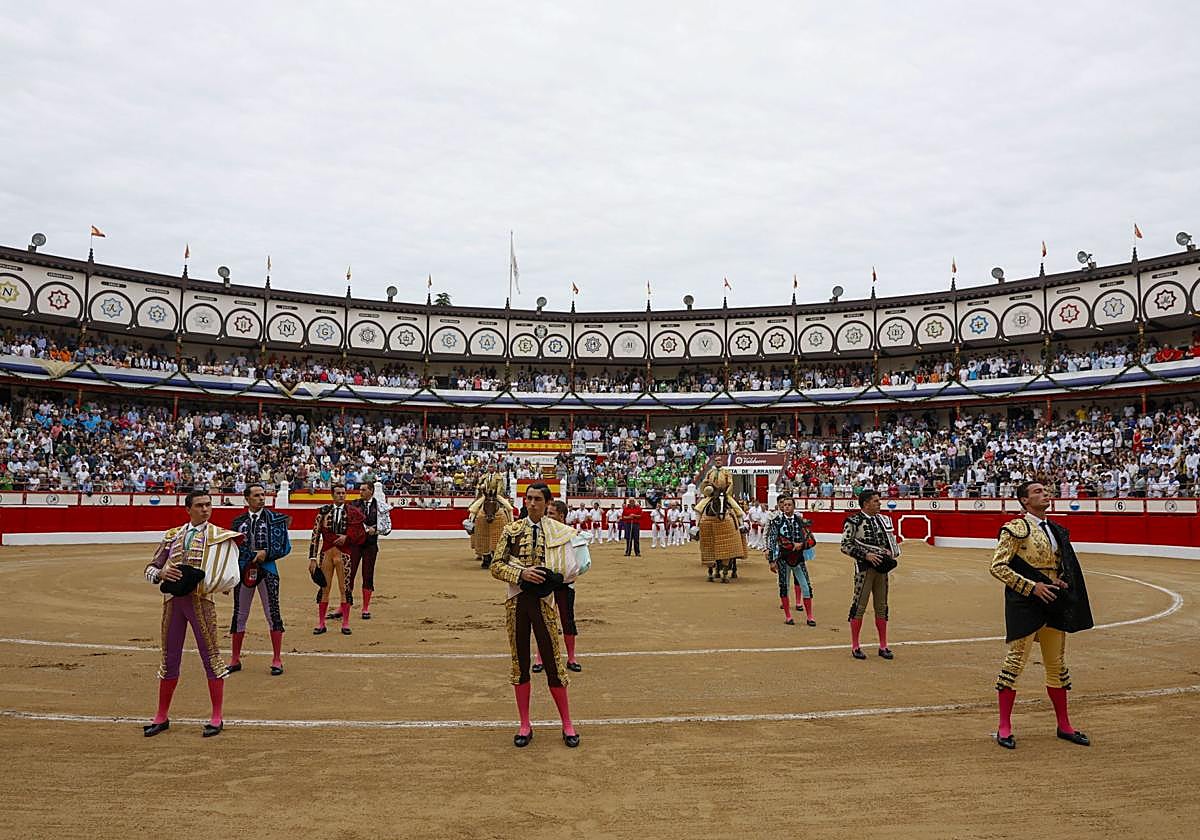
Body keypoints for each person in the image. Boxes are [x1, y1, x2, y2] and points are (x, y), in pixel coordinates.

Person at [990, 480, 1094, 749]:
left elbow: (1057, 567)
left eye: (1046, 490)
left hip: (1052, 600)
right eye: (1037, 491)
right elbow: (998, 566)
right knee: (1015, 663)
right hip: (1024, 602)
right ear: (1024, 500)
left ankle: (1064, 725)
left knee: (1057, 664)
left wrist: (1058, 580)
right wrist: (1032, 587)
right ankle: (1004, 726)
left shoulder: (1056, 530)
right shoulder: (1016, 528)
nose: (1045, 493)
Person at [142, 490, 242, 737]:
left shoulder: (219, 536)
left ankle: (216, 717)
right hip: (173, 603)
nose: (205, 509)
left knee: (211, 657)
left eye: (208, 505)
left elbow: (229, 569)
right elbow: (150, 568)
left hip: (201, 601)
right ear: (188, 509)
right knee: (170, 657)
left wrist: (224, 582)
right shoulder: (172, 535)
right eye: (199, 505)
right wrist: (161, 574)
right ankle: (161, 716)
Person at [490, 483, 582, 748]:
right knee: (520, 662)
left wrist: (554, 578)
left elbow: (570, 570)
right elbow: (496, 566)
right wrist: (521, 573)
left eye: (537, 499)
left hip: (544, 602)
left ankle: (567, 724)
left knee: (552, 661)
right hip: (517, 600)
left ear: (547, 502)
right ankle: (524, 724)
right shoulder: (511, 530)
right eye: (529, 498)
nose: (532, 503)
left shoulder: (558, 531)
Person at [228, 483, 292, 676]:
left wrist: (267, 553)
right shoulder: (238, 522)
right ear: (247, 498)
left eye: (263, 495)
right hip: (243, 570)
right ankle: (235, 659)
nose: (261, 498)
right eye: (256, 495)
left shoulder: (276, 519)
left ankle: (277, 659)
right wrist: (230, 575)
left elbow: (285, 547)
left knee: (272, 612)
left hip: (267, 569)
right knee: (240, 614)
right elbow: (231, 551)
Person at [840, 488, 899, 659]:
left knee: (882, 607)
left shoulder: (882, 520)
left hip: (881, 569)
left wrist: (888, 552)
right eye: (876, 501)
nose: (879, 504)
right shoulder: (854, 521)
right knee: (859, 606)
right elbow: (845, 545)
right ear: (866, 504)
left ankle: (883, 646)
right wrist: (866, 555)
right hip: (864, 569)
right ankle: (855, 646)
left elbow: (888, 543)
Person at [533, 500, 589, 675]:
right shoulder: (542, 534)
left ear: (561, 516)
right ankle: (539, 658)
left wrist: (568, 573)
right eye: (547, 513)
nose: (547, 516)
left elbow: (583, 564)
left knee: (567, 620)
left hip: (565, 585)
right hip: (545, 584)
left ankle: (571, 658)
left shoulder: (572, 535)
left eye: (551, 513)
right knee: (543, 621)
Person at [308, 484, 365, 636]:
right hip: (326, 554)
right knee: (324, 588)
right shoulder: (323, 512)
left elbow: (360, 533)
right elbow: (315, 535)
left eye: (343, 493)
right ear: (332, 495)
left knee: (344, 588)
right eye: (338, 493)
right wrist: (312, 558)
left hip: (344, 554)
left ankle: (345, 623)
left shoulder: (352, 512)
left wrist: (347, 537)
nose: (341, 495)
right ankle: (321, 623)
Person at [766, 493, 816, 626]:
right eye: (785, 505)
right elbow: (772, 541)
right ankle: (788, 616)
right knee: (784, 586)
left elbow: (812, 540)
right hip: (783, 558)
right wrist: (771, 561)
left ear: (794, 507)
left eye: (789, 505)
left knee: (806, 587)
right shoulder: (776, 522)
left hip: (798, 558)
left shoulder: (800, 521)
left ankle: (810, 616)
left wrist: (801, 545)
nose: (787, 507)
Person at [696, 468, 746, 583]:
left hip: (724, 493)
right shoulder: (710, 472)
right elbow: (705, 483)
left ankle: (741, 525)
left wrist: (725, 491)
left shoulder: (726, 472)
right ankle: (696, 527)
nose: (718, 461)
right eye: (717, 460)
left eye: (719, 460)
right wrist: (709, 487)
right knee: (698, 508)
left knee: (737, 509)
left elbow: (730, 483)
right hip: (712, 494)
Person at [345, 480, 383, 620]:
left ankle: (365, 608)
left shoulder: (380, 506)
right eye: (360, 489)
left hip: (370, 545)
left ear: (371, 491)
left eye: (363, 490)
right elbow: (349, 521)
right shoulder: (354, 504)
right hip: (355, 545)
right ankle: (344, 605)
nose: (360, 492)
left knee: (368, 575)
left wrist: (376, 529)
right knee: (349, 575)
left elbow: (386, 524)